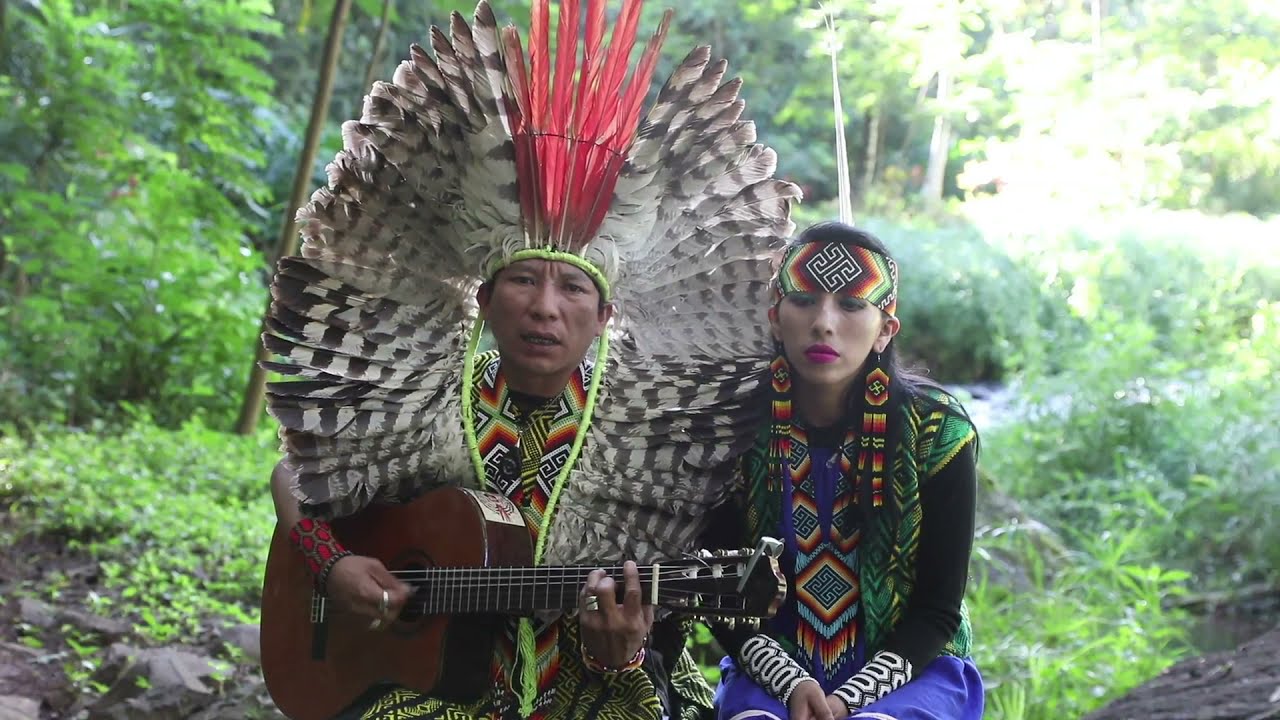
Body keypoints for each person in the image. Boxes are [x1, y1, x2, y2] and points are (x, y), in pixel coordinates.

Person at [261, 1, 800, 719]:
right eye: (522, 280)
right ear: (482, 300)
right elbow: (292, 472)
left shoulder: (656, 424)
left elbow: (705, 598)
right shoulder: (437, 403)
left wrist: (629, 651)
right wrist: (330, 566)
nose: (545, 307)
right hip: (437, 690)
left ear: (606, 316)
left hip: (591, 688)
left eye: (573, 287)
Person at [704, 221, 984, 720]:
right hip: (772, 676)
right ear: (775, 317)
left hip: (915, 674)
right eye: (805, 300)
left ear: (886, 329)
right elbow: (722, 590)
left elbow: (938, 608)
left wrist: (850, 701)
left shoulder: (938, 432)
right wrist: (790, 684)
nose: (824, 323)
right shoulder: (734, 428)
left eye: (851, 304)